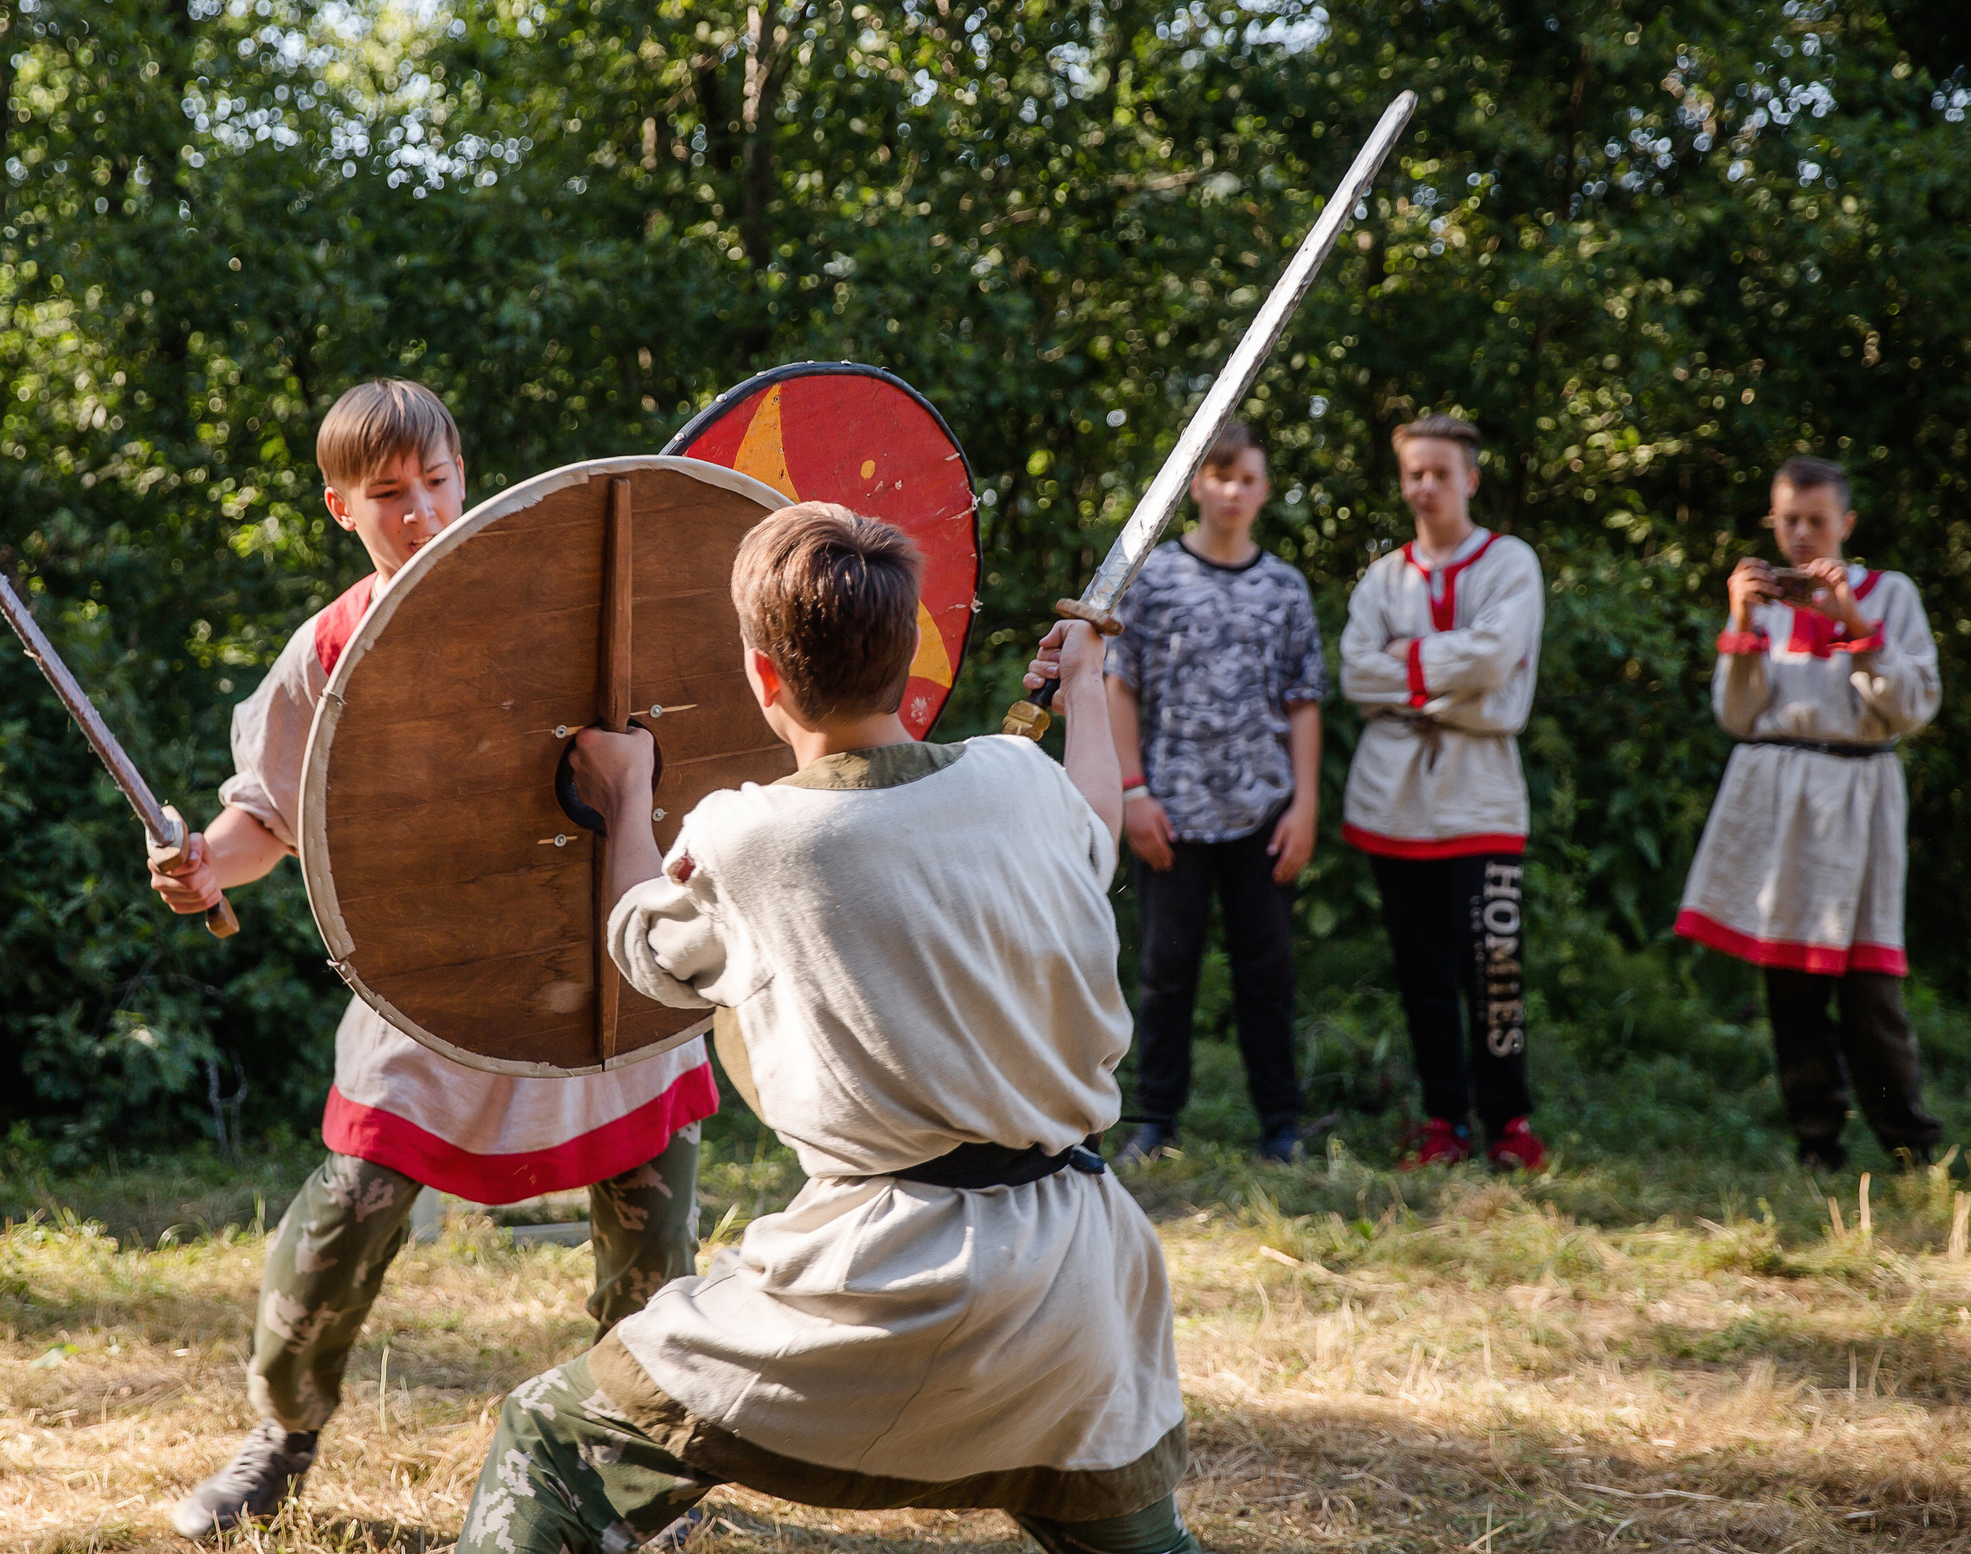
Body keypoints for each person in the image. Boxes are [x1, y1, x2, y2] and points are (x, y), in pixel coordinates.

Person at [452, 503, 1195, 1554]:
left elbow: (642, 947)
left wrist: (627, 798)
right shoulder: (1019, 780)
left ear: (762, 675)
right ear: (908, 655)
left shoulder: (751, 838)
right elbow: (1095, 823)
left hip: (892, 1281)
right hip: (1079, 1274)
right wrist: (1086, 683)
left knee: (554, 1440)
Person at [150, 381, 717, 1540]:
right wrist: (204, 862)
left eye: (438, 483)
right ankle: (281, 1431)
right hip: (435, 975)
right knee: (350, 1204)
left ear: (468, 472)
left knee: (650, 1231)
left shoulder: (567, 593)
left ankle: (641, 1469)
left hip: (607, 952)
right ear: (340, 507)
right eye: (388, 496)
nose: (419, 514)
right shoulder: (332, 647)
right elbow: (272, 812)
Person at [1674, 456, 1943, 1170]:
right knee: (1790, 985)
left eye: (1815, 520)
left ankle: (1908, 1144)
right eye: (1788, 518)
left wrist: (1854, 623)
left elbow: (1913, 705)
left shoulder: (1891, 594)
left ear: (1845, 524)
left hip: (1858, 797)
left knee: (1868, 989)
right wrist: (1740, 619)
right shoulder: (1760, 601)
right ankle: (1816, 1143)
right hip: (1779, 801)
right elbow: (1737, 713)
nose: (1799, 534)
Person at [1105, 420, 1324, 1167]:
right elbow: (1118, 686)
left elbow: (1303, 699)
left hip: (1264, 812)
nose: (1233, 490)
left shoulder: (1285, 587)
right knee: (1165, 971)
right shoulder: (1156, 577)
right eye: (1219, 475)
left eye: (1248, 478)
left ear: (1265, 490)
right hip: (1171, 811)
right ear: (1196, 484)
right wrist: (1132, 791)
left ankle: (1281, 1128)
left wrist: (1305, 805)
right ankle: (1155, 1122)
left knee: (1268, 974)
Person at [1339, 415, 1548, 1173]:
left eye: (1440, 472)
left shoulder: (1510, 564)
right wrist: (1454, 683)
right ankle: (1442, 1122)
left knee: (1493, 969)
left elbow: (1498, 669)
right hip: (1393, 807)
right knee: (1422, 975)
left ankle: (1509, 1122)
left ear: (1471, 479)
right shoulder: (1383, 578)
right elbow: (1356, 672)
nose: (1425, 487)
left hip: (1483, 804)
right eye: (1413, 473)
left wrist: (1408, 675)